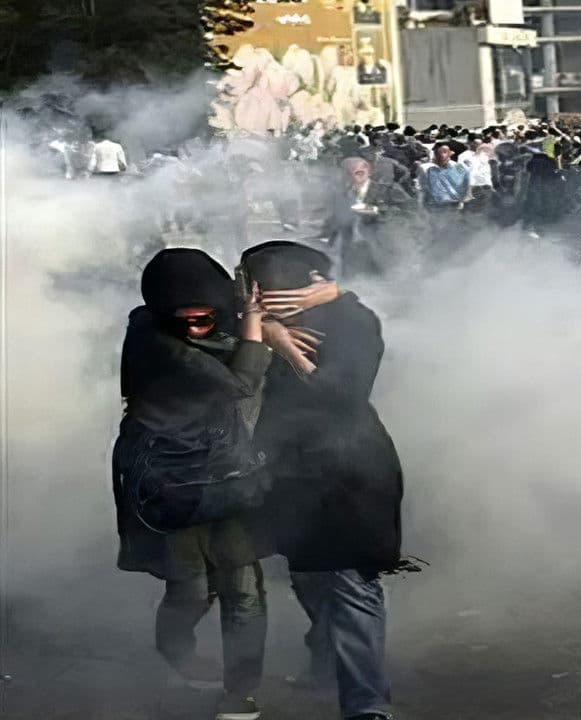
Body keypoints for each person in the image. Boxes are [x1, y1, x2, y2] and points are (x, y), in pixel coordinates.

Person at [112, 249, 297, 720]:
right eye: (185, 319)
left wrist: (257, 312)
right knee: (190, 590)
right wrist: (254, 324)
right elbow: (241, 382)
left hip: (228, 477)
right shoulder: (156, 342)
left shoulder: (212, 330)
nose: (196, 327)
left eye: (205, 317)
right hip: (170, 486)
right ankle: (174, 648)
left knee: (243, 590)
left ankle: (240, 691)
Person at [239, 242, 404, 720]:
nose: (256, 297)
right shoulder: (254, 320)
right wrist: (260, 327)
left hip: (350, 473)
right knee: (308, 576)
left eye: (265, 288)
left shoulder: (352, 322)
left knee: (352, 583)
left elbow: (343, 394)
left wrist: (286, 347)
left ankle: (367, 705)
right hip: (289, 474)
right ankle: (326, 660)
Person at [320, 157, 414, 277]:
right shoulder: (341, 195)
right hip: (351, 252)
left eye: (359, 173)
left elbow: (411, 214)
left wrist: (376, 211)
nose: (354, 177)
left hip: (383, 249)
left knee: (382, 282)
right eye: (348, 174)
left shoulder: (388, 191)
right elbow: (336, 221)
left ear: (369, 172)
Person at [417, 142, 470, 209]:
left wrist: (461, 201)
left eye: (445, 152)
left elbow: (463, 185)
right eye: (439, 152)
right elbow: (422, 187)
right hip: (433, 205)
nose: (442, 155)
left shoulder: (456, 166)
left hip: (453, 204)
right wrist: (421, 204)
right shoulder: (425, 168)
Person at [457, 135, 495, 213]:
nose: (479, 146)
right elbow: (461, 169)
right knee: (468, 201)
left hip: (483, 182)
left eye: (480, 144)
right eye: (477, 144)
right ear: (472, 144)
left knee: (482, 203)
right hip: (470, 183)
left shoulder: (484, 155)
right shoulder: (464, 155)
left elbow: (487, 169)